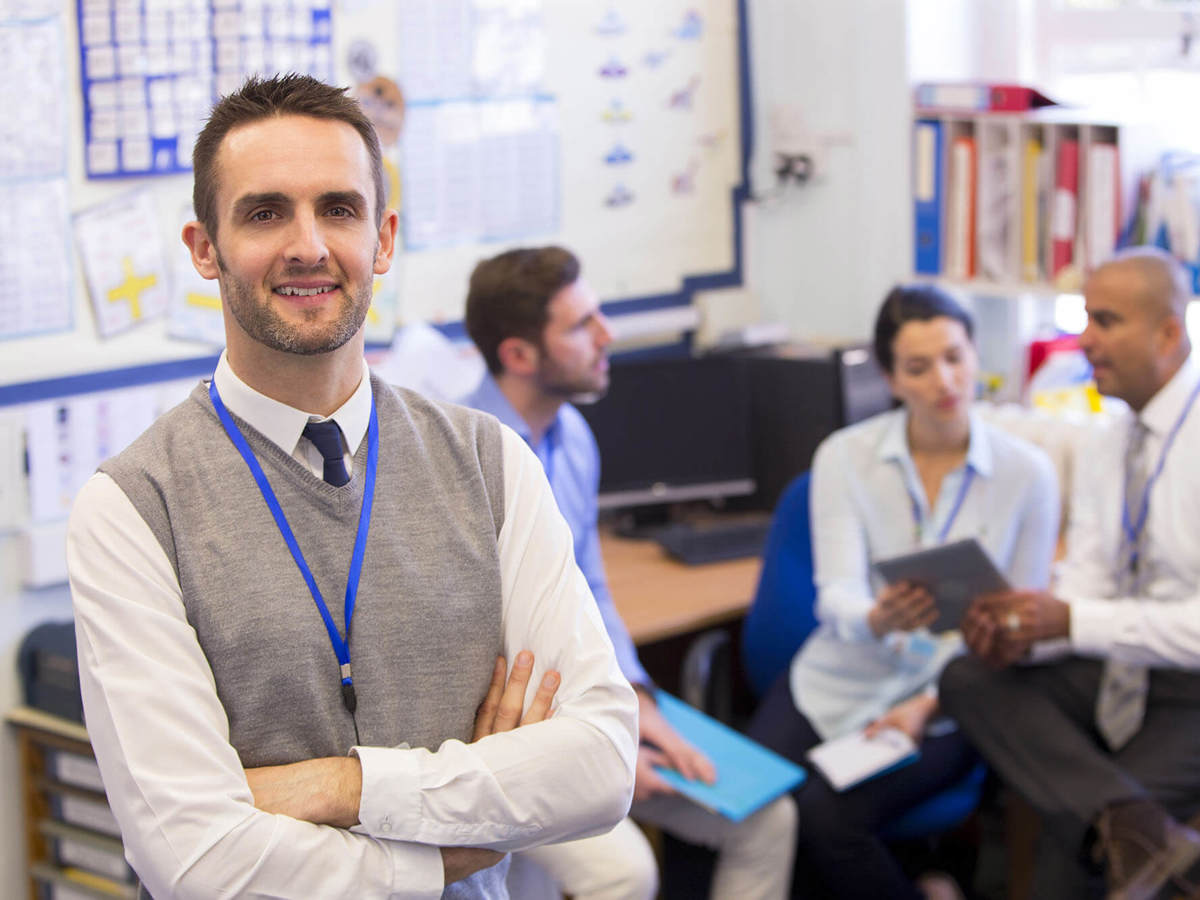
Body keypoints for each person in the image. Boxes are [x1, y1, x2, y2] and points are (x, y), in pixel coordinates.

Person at [66, 75, 638, 900]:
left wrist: (342, 786)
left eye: (338, 209)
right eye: (265, 213)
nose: (308, 246)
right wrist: (438, 854)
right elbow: (194, 860)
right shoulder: (132, 507)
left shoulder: (491, 462)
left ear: (383, 238)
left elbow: (601, 764)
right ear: (204, 248)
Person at [461, 245, 797, 900]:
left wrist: (638, 701)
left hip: (589, 704)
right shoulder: (463, 455)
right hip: (507, 730)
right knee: (626, 874)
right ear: (520, 355)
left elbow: (590, 587)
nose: (607, 335)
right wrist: (605, 742)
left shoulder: (573, 437)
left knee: (768, 819)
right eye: (581, 325)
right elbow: (480, 651)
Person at [746, 284, 1059, 900]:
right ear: (890, 378)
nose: (944, 381)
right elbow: (834, 595)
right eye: (919, 367)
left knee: (827, 819)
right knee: (753, 807)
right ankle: (928, 882)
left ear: (976, 356)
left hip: (951, 697)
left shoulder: (1028, 474)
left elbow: (1024, 626)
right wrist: (876, 617)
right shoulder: (845, 457)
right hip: (839, 677)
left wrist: (931, 706)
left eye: (955, 357)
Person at [941, 247, 1200, 900]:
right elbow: (1086, 586)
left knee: (1069, 851)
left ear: (1168, 333)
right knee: (969, 676)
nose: (1085, 341)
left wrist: (1074, 621)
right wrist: (1027, 632)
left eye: (1106, 321)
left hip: (1192, 688)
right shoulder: (1107, 440)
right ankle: (1137, 830)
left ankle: (1120, 829)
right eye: (1085, 319)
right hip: (1123, 670)